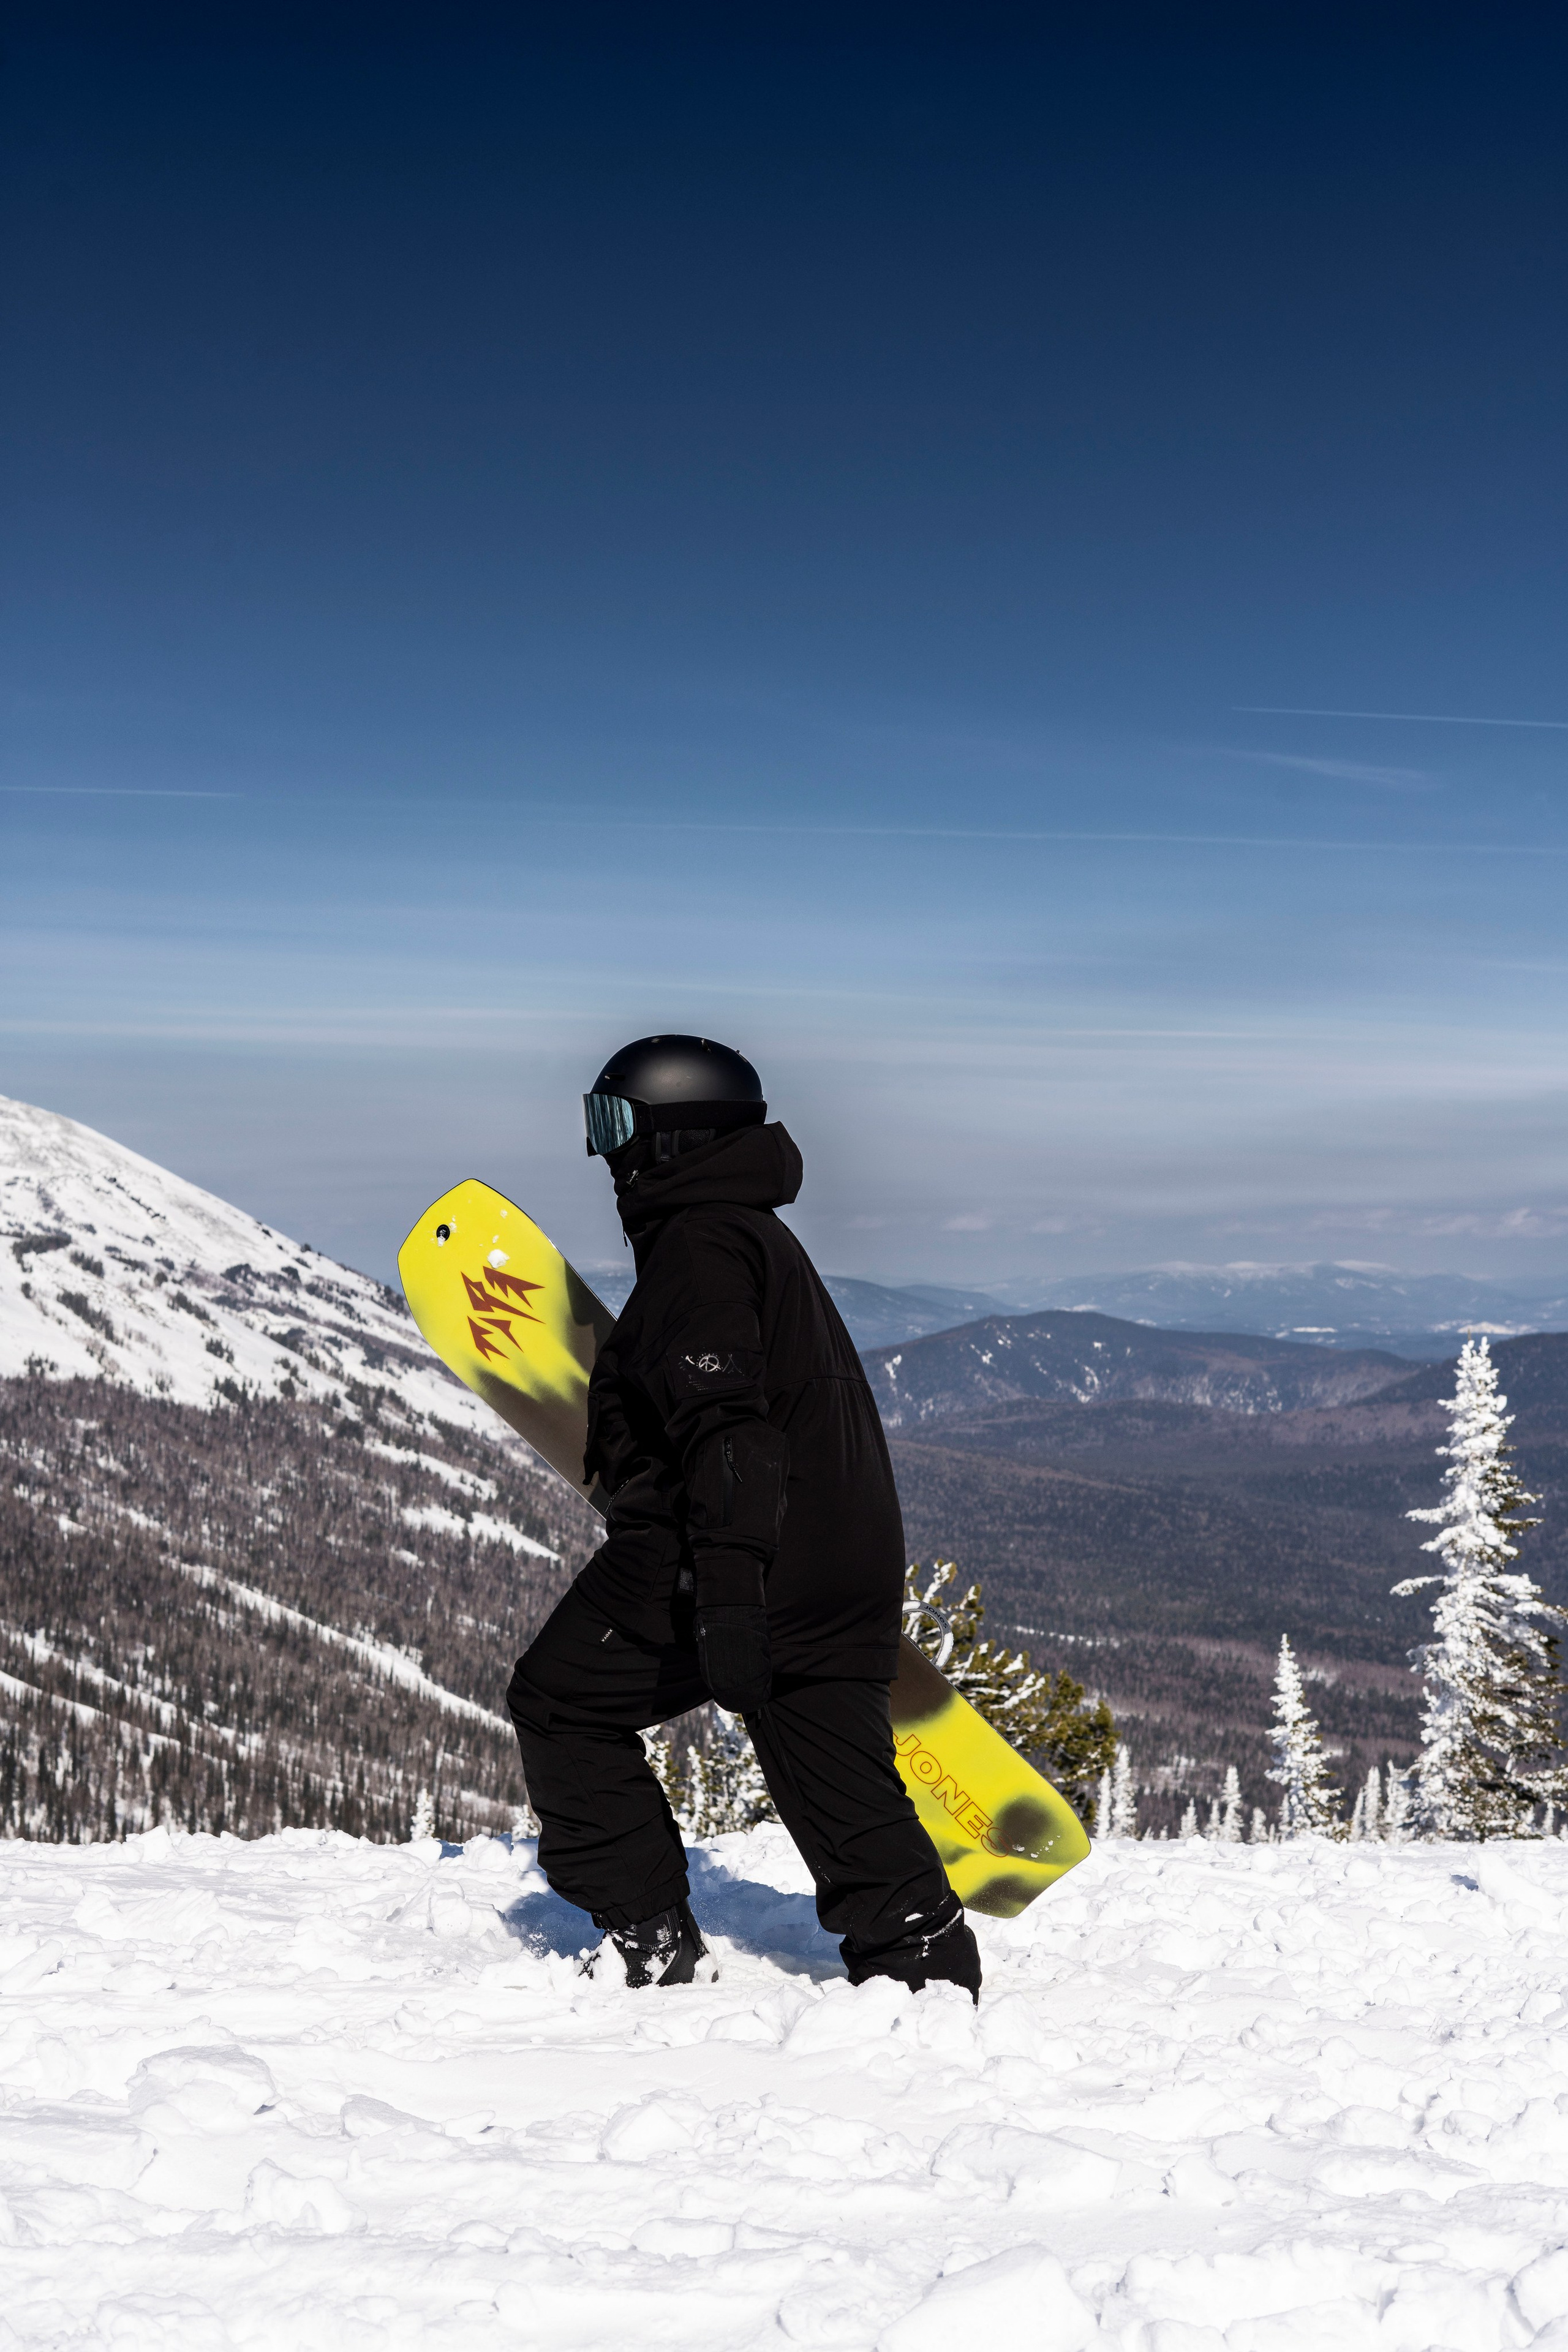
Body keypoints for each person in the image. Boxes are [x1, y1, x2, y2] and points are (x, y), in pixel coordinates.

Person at [507, 1035, 981, 1998]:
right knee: (828, 1773)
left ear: (670, 1136)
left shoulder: (701, 1247)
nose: (604, 1152)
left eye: (615, 1124)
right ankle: (920, 1968)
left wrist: (726, 1595)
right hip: (832, 1554)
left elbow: (732, 1435)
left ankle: (649, 1939)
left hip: (725, 1549)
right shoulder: (750, 1235)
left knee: (561, 1700)